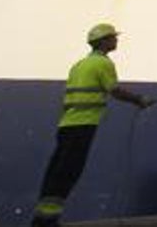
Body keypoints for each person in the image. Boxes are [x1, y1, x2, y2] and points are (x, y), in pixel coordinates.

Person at [32, 23, 150, 227]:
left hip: (66, 125)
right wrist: (139, 99)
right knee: (68, 173)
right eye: (113, 37)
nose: (116, 40)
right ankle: (47, 221)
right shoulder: (103, 64)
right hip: (83, 125)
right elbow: (114, 90)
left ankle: (42, 218)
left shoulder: (79, 65)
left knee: (56, 172)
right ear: (104, 41)